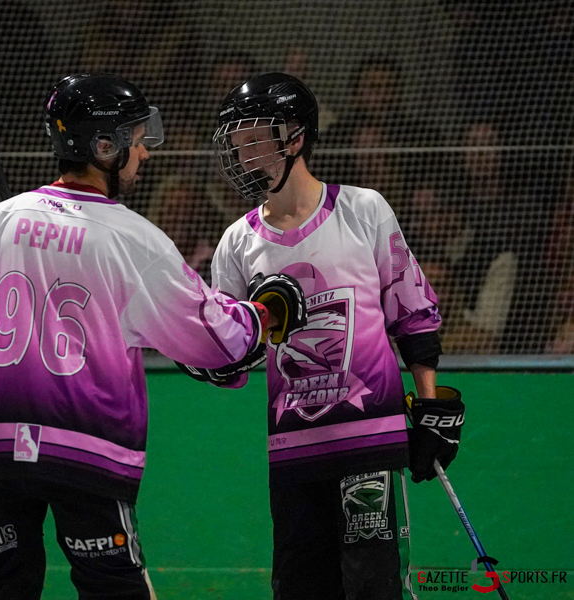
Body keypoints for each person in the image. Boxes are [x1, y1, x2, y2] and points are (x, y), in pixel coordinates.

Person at [0, 73, 282, 600]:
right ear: (103, 147)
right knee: (113, 587)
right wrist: (264, 313)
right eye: (137, 139)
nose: (145, 153)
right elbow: (215, 341)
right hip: (86, 448)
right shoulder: (132, 239)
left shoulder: (0, 219)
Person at [180, 72, 464, 599]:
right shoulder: (237, 242)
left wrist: (430, 408)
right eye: (236, 144)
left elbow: (413, 312)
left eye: (253, 139)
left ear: (295, 136)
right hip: (292, 453)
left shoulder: (363, 209)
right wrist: (195, 347)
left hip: (368, 442)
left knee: (373, 588)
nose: (243, 155)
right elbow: (229, 357)